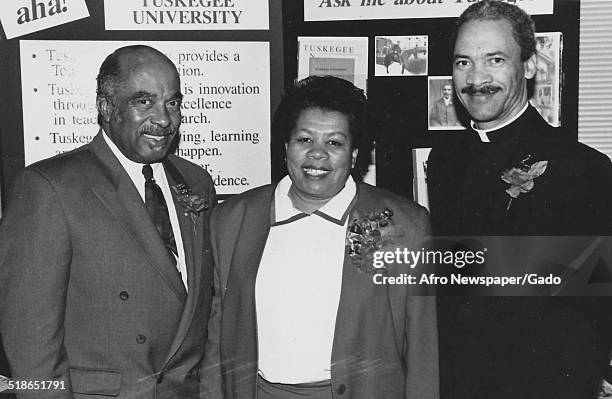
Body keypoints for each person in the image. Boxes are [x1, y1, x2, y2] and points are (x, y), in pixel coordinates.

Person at [0, 45, 217, 398]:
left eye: (173, 103)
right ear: (106, 108)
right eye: (144, 102)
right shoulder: (50, 187)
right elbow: (29, 343)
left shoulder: (195, 182)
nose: (164, 119)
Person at [204, 76, 439, 399]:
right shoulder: (232, 219)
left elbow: (422, 348)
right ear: (286, 146)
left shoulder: (404, 225)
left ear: (354, 155)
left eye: (334, 143)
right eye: (304, 139)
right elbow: (216, 342)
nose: (317, 155)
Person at [426, 2, 612, 398]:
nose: (477, 79)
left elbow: (596, 311)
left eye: (495, 59)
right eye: (463, 63)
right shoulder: (442, 161)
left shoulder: (582, 169)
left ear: (529, 65)